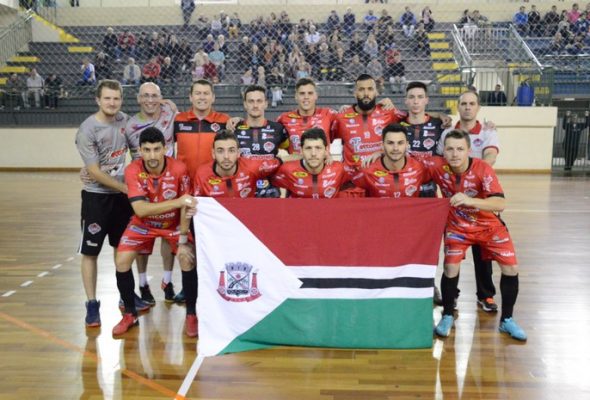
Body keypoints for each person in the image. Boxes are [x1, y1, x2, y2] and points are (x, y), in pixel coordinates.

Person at [427, 130, 527, 341]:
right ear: (443, 151)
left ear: (469, 150)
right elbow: (408, 160)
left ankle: (507, 320)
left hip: (489, 227)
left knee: (511, 268)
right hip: (458, 227)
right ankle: (447, 315)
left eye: (460, 149)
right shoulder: (437, 166)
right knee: (450, 267)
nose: (455, 154)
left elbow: (500, 203)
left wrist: (470, 200)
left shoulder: (483, 168)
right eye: (450, 149)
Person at [112, 127, 195, 336]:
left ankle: (191, 315)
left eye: (157, 149)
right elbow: (140, 209)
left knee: (187, 258)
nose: (152, 156)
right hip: (143, 224)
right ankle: (129, 314)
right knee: (121, 261)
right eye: (147, 150)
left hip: (173, 224)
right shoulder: (132, 170)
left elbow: (186, 206)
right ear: (139, 150)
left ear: (165, 149)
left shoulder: (179, 168)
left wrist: (183, 238)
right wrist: (177, 201)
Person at [75, 80, 134, 327]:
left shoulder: (125, 121)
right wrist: (126, 188)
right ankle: (91, 304)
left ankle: (125, 296)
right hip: (96, 198)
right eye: (107, 98)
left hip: (120, 199)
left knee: (122, 249)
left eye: (116, 98)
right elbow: (94, 172)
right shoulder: (87, 129)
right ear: (98, 100)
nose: (112, 102)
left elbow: (138, 151)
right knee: (90, 253)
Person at [437, 91, 500, 312]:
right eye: (463, 103)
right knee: (452, 254)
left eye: (472, 103)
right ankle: (451, 296)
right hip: (454, 203)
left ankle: (486, 295)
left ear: (478, 107)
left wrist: (473, 174)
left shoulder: (488, 131)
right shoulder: (447, 133)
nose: (467, 107)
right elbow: (441, 161)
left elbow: (490, 158)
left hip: (481, 201)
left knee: (483, 253)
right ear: (458, 106)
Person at [124, 82, 184, 304]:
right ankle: (143, 284)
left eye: (154, 96)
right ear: (138, 99)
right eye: (145, 96)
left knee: (169, 234)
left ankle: (167, 281)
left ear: (161, 98)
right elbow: (117, 152)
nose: (150, 100)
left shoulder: (170, 113)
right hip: (143, 186)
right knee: (142, 237)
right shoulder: (130, 125)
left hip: (169, 182)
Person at [331, 74, 405, 179]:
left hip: (382, 178)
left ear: (376, 92)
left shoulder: (389, 112)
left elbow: (414, 120)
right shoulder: (342, 117)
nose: (366, 94)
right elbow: (324, 136)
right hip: (352, 180)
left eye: (370, 89)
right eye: (361, 89)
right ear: (355, 93)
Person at [232, 85, 289, 197]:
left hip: (271, 192)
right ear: (245, 104)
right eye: (251, 101)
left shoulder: (278, 129)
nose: (255, 105)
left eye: (259, 101)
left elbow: (292, 152)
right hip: (241, 190)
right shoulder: (234, 129)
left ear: (266, 103)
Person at [173, 79, 230, 179]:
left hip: (213, 181)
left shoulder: (224, 120)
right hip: (184, 180)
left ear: (213, 98)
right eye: (198, 93)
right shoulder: (178, 119)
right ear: (191, 97)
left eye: (206, 93)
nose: (202, 97)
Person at [353, 124, 429, 198]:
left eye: (400, 143)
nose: (395, 148)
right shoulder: (367, 171)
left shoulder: (419, 167)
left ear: (407, 145)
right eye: (390, 143)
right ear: (382, 145)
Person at [272, 128, 347, 198]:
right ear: (301, 150)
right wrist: (282, 159)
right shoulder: (287, 169)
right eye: (308, 148)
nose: (313, 153)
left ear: (326, 150)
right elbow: (265, 171)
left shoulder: (339, 169)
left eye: (318, 148)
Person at [276, 78, 338, 154]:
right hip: (295, 161)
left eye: (310, 93)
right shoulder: (283, 118)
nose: (306, 97)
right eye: (302, 93)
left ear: (316, 96)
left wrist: (346, 109)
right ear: (296, 96)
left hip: (321, 161)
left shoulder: (329, 114)